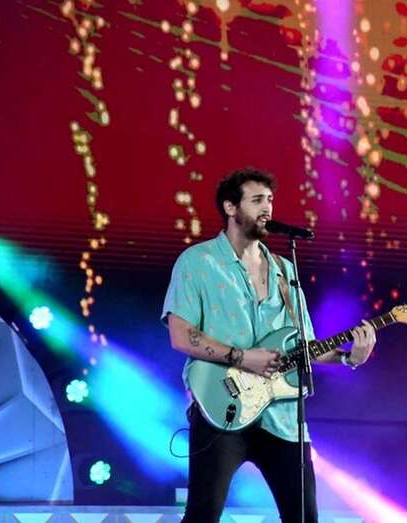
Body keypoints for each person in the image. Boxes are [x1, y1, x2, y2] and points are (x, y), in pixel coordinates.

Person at [161, 167, 377, 523]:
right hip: (221, 409)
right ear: (231, 207)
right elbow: (181, 335)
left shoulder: (284, 270)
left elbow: (306, 345)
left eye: (270, 200)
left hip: (284, 417)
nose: (267, 208)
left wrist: (349, 357)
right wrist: (243, 358)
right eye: (257, 200)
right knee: (202, 516)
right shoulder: (198, 262)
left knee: (304, 518)